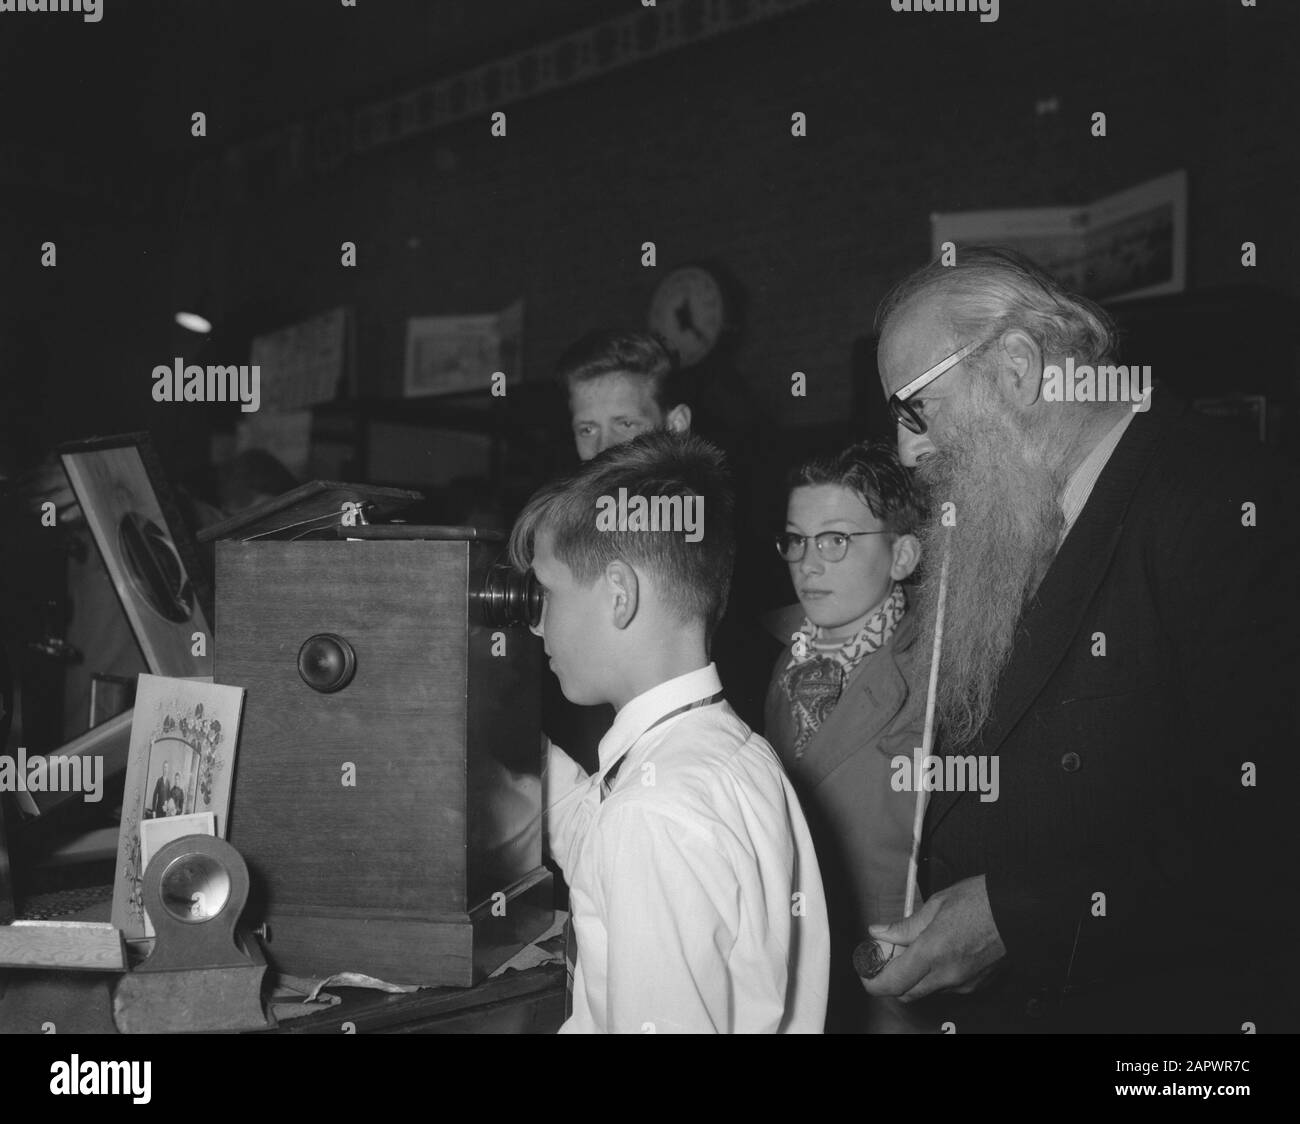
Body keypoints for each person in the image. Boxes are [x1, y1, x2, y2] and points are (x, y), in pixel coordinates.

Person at [860, 245, 1298, 1032]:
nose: (908, 452)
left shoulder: (1226, 502)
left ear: (1018, 368)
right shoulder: (1020, 519)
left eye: (915, 409)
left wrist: (1015, 918)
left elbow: (1263, 831)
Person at [510, 430, 829, 1032]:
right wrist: (494, 730)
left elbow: (634, 833)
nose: (535, 624)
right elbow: (594, 836)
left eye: (546, 593)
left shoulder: (652, 813)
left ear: (619, 594)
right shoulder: (727, 752)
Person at [762, 441, 926, 1032]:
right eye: (796, 540)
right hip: (793, 963)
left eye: (835, 540)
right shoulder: (782, 660)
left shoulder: (938, 675)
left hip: (893, 980)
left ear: (902, 554)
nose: (808, 563)